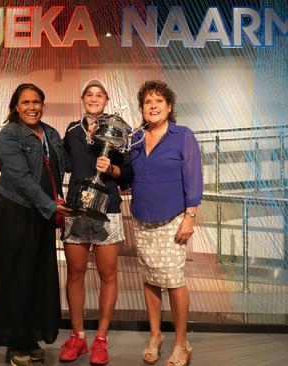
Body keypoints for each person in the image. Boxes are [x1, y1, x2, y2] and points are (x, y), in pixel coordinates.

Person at [0, 83, 73, 366]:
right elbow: (21, 180)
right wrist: (52, 205)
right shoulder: (9, 135)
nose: (32, 107)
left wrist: (92, 139)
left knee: (39, 275)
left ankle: (32, 336)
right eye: (25, 102)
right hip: (16, 212)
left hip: (43, 213)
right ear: (15, 106)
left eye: (36, 101)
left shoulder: (50, 133)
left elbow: (64, 165)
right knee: (16, 277)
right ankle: (15, 343)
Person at [129, 80, 203, 366]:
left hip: (173, 219)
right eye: (148, 102)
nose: (153, 105)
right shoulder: (135, 138)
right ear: (142, 108)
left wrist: (190, 216)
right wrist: (109, 167)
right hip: (142, 217)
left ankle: (182, 343)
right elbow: (127, 176)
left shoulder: (182, 135)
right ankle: (156, 335)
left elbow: (194, 177)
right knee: (149, 278)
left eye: (159, 100)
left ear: (169, 107)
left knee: (173, 280)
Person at [58, 79, 129, 365]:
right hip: (77, 209)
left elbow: (128, 174)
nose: (94, 98)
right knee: (75, 272)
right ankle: (78, 336)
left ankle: (101, 338)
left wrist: (110, 168)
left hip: (107, 209)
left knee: (107, 275)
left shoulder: (121, 130)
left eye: (99, 94)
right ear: (82, 98)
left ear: (107, 99)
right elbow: (61, 164)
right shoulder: (72, 131)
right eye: (89, 94)